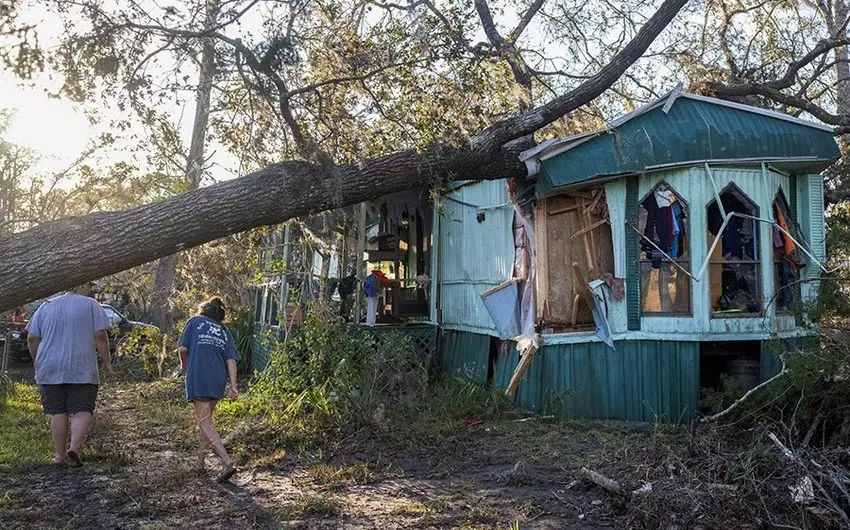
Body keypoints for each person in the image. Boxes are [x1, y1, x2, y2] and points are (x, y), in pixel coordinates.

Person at [25, 283, 113, 468]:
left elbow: (32, 337)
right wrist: (106, 362)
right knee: (83, 408)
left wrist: (37, 359)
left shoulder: (46, 305)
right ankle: (74, 447)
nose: (91, 289)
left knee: (58, 411)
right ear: (82, 285)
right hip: (81, 366)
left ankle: (58, 455)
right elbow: (100, 335)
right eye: (89, 285)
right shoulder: (90, 304)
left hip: (50, 366)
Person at [178, 297, 240, 482]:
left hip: (199, 375)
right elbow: (231, 360)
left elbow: (182, 348)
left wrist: (184, 367)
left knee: (205, 423)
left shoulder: (195, 322)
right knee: (206, 421)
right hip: (217, 379)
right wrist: (234, 386)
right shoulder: (223, 330)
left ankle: (227, 462)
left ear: (203, 310)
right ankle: (200, 462)